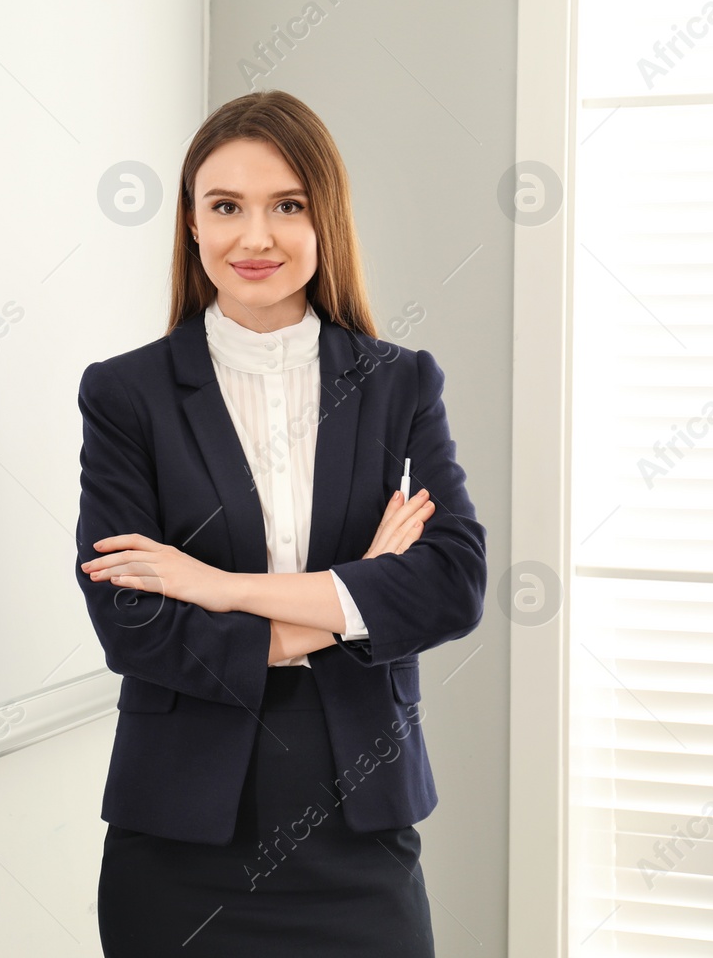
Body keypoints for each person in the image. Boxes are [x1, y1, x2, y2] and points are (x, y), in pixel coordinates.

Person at [76, 90, 487, 956]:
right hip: (180, 838)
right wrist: (351, 600)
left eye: (286, 206)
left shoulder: (399, 383)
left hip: (359, 827)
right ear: (191, 224)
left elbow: (451, 586)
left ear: (324, 219)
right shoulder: (127, 395)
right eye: (225, 206)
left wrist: (216, 588)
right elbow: (135, 624)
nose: (254, 237)